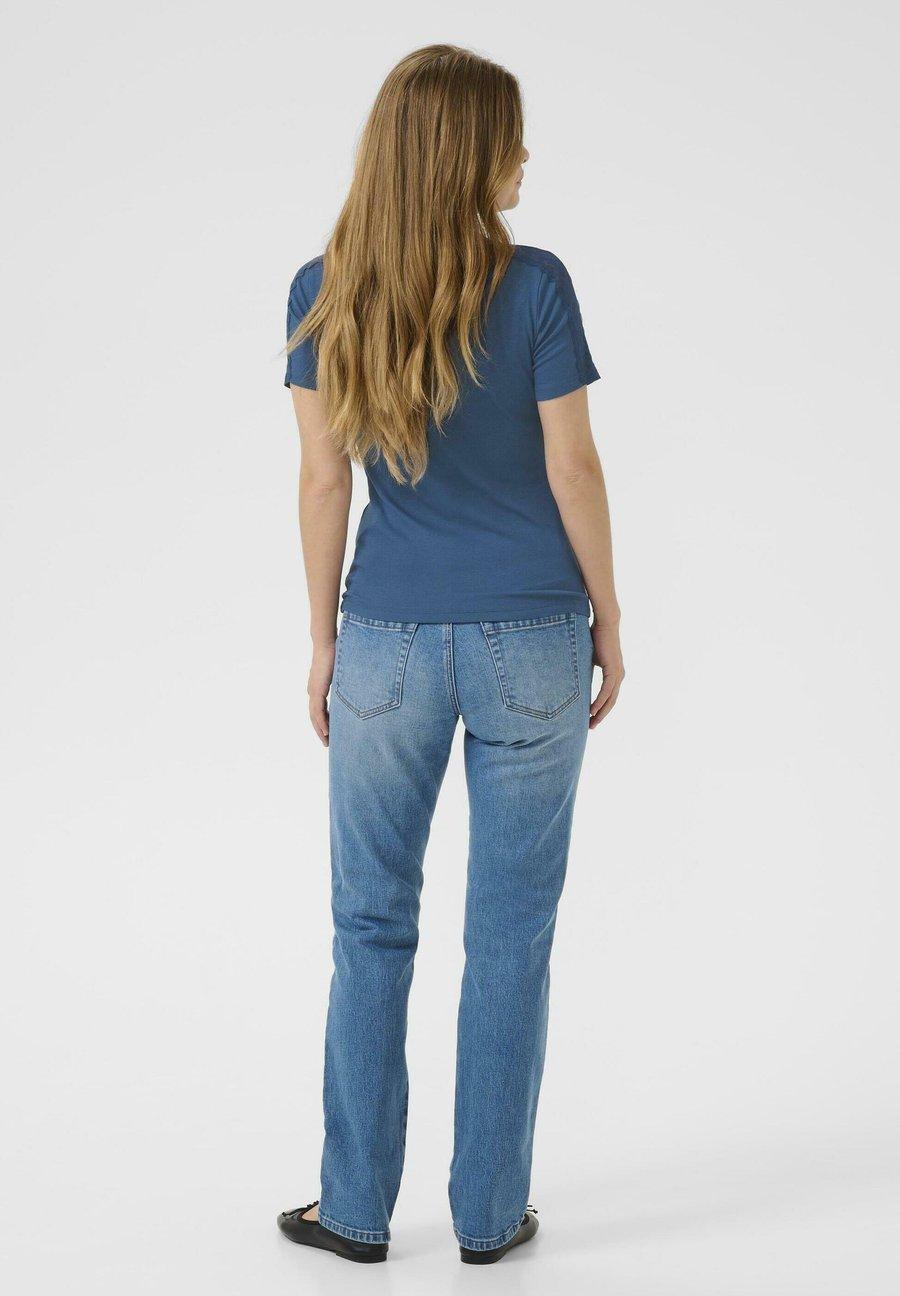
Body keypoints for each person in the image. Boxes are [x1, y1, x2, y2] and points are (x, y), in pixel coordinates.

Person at [276, 44, 624, 1266]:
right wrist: (609, 615)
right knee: (511, 936)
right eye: (510, 138)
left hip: (386, 642)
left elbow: (324, 480)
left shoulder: (326, 289)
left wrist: (323, 639)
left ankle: (354, 1211)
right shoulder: (536, 287)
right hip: (535, 637)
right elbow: (572, 467)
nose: (525, 157)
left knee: (370, 928)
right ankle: (487, 1216)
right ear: (470, 154)